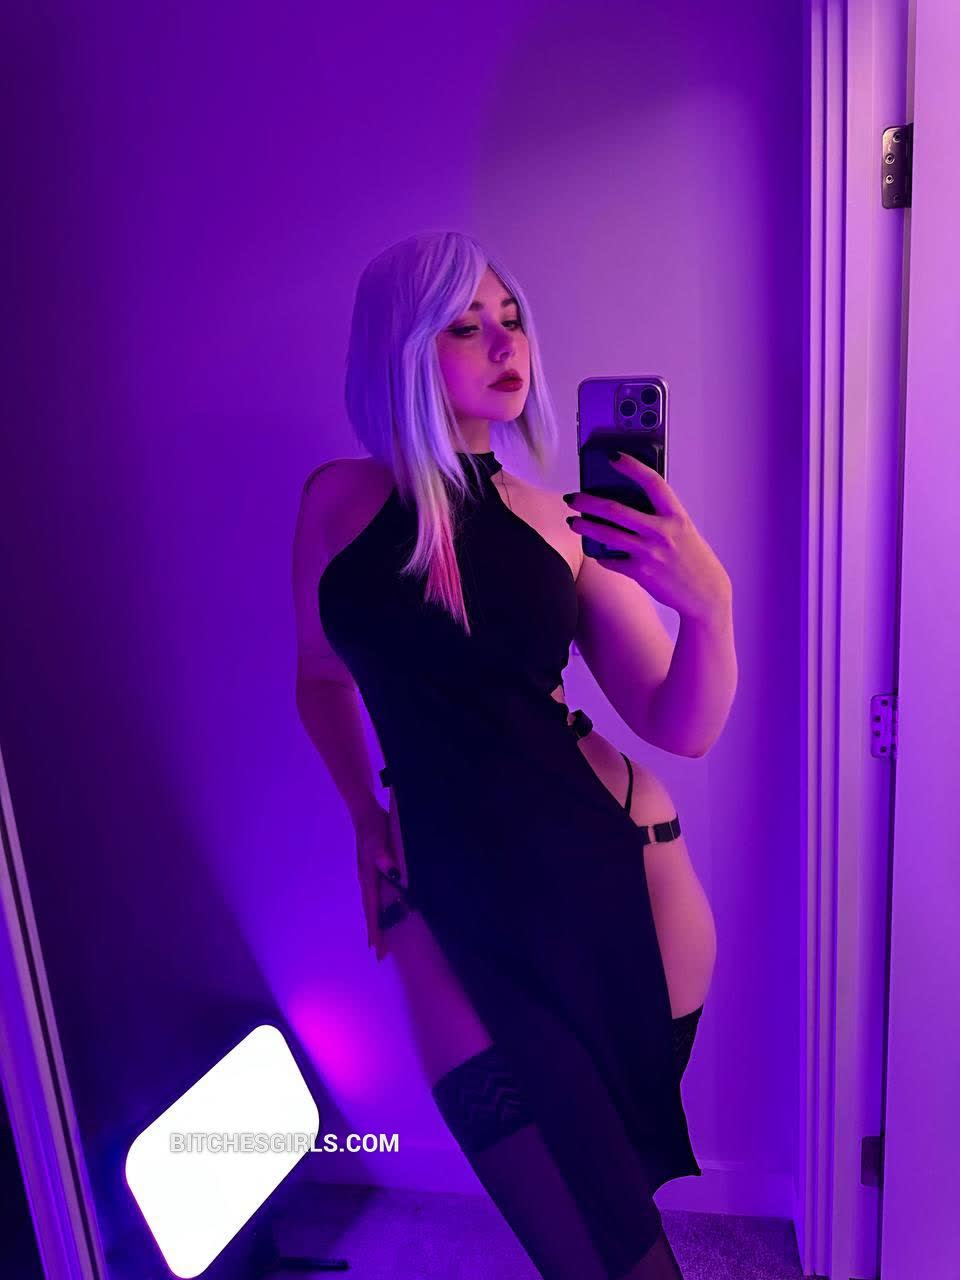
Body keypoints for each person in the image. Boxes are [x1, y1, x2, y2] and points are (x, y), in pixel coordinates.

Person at [292, 231, 733, 1279]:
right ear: (402, 349)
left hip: (618, 878)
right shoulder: (336, 503)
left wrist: (709, 604)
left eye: (513, 318)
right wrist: (364, 813)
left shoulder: (561, 521)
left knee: (617, 1219)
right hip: (447, 898)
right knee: (581, 1240)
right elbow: (318, 678)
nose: (507, 344)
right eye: (466, 325)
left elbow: (679, 720)